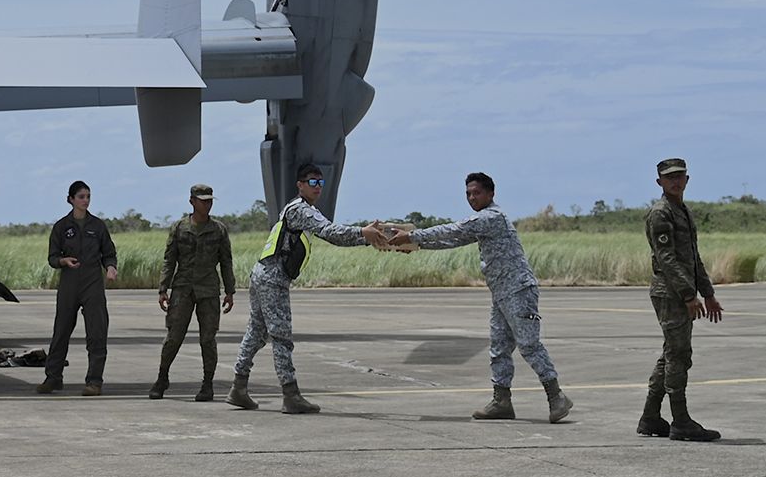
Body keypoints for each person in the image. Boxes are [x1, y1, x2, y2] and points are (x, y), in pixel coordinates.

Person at [382, 173, 573, 422]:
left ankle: (556, 396)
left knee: (529, 345)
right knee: (498, 349)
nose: (472, 198)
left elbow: (455, 228)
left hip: (518, 290)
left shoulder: (491, 217)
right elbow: (454, 239)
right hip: (501, 293)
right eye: (468, 194)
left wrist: (412, 236)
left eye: (477, 193)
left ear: (491, 194)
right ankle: (501, 401)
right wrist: (415, 246)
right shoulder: (483, 222)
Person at [228, 163, 383, 413]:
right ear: (300, 185)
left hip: (263, 273)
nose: (318, 187)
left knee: (256, 333)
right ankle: (290, 395)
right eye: (312, 182)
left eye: (320, 183)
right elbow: (330, 232)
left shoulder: (298, 208)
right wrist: (363, 233)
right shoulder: (302, 210)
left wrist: (364, 235)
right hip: (273, 278)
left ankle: (239, 387)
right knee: (281, 337)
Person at [637, 158, 723, 441]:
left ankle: (650, 417)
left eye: (680, 176)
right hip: (669, 292)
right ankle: (681, 420)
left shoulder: (681, 211)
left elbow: (692, 259)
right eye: (669, 177)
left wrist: (707, 293)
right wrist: (689, 295)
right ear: (659, 182)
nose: (675, 181)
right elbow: (667, 258)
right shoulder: (661, 213)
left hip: (680, 291)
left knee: (671, 353)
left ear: (687, 179)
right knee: (679, 355)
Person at [153, 184, 234, 401]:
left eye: (209, 200)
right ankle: (162, 378)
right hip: (183, 288)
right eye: (202, 200)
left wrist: (230, 290)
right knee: (174, 336)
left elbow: (226, 261)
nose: (206, 204)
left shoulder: (218, 229)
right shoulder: (180, 228)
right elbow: (169, 259)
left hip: (208, 290)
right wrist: (163, 289)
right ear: (192, 201)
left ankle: (207, 385)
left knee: (208, 339)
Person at [36, 181, 118, 396]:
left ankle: (94, 381)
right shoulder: (62, 227)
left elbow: (109, 252)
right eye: (81, 196)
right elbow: (52, 257)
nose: (85, 200)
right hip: (69, 284)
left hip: (92, 283)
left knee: (97, 333)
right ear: (71, 199)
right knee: (61, 331)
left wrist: (110, 268)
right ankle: (53, 378)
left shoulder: (98, 226)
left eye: (88, 196)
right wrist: (63, 261)